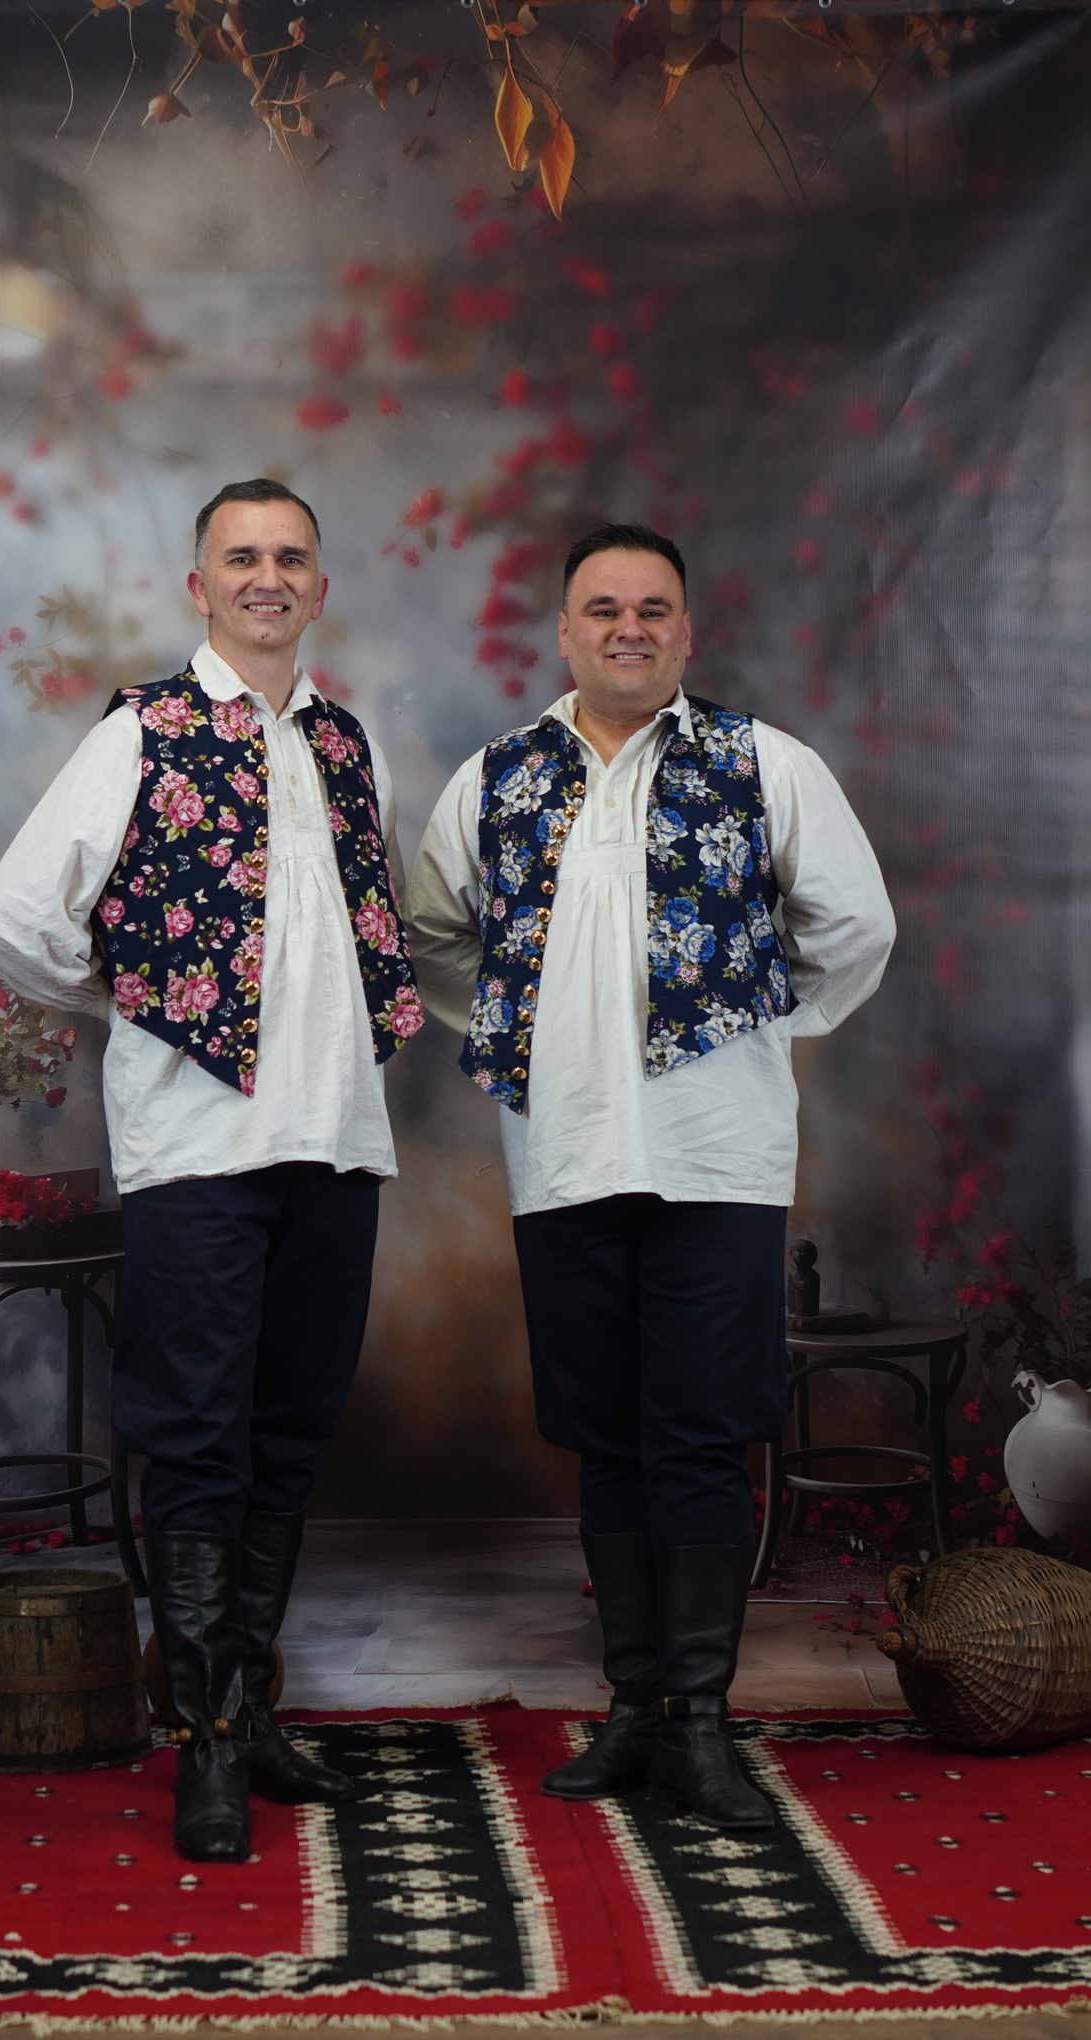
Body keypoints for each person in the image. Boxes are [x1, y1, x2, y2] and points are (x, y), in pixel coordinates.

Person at [408, 522, 894, 1830]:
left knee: (702, 1430)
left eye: (653, 608)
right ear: (564, 633)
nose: (629, 627)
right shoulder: (498, 779)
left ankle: (699, 1722)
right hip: (564, 1155)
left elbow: (856, 925)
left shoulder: (762, 764)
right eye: (604, 608)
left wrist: (766, 1021)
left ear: (686, 631)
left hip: (717, 1155)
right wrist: (519, 1026)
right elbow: (434, 931)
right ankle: (632, 1710)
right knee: (606, 1432)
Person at [0, 479, 422, 1862]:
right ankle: (207, 1738)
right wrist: (139, 995)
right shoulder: (143, 732)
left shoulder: (346, 743)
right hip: (199, 1145)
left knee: (291, 1423)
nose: (266, 576)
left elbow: (365, 924)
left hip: (335, 1135)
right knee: (195, 1431)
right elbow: (15, 914)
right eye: (242, 557)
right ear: (201, 585)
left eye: (289, 556)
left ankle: (253, 1706)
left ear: (320, 587)